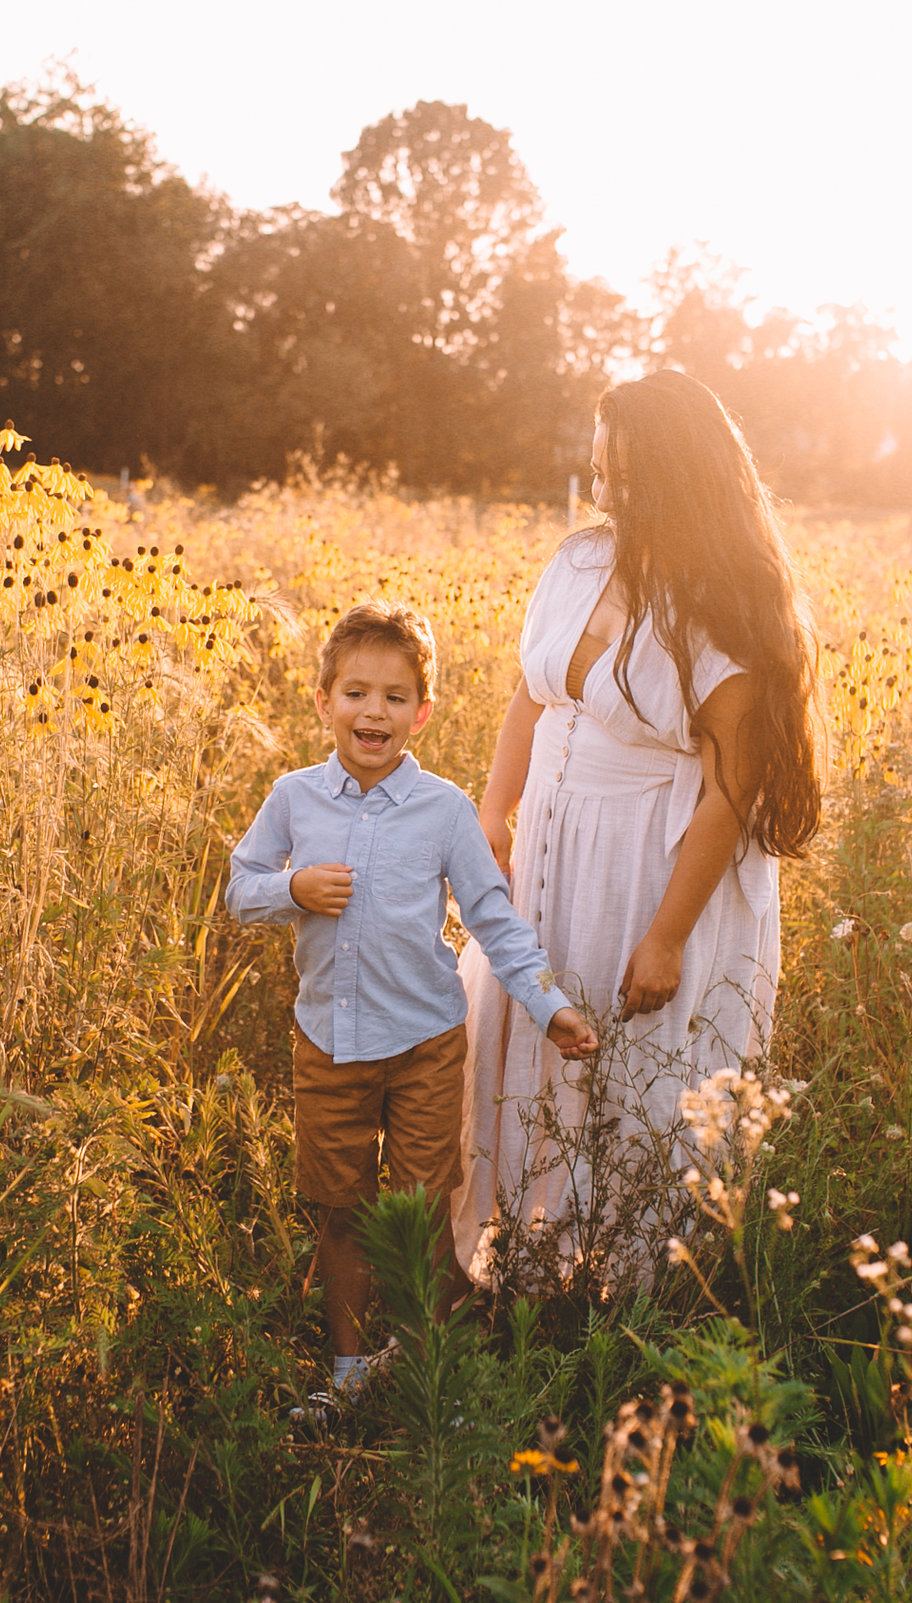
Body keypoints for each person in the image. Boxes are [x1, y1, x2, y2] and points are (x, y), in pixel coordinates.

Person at [455, 370, 822, 1286]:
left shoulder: (725, 615)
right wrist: (492, 814)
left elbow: (731, 798)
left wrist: (665, 935)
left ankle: (634, 1299)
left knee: (634, 1073)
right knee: (526, 1035)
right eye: (597, 470)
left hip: (649, 861)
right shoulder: (578, 563)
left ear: (675, 478)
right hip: (550, 841)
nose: (603, 493)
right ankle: (521, 1269)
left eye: (622, 475)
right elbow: (529, 697)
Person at [227, 601, 598, 1403]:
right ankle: (351, 1371)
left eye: (396, 697)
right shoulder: (294, 798)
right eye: (356, 692)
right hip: (327, 1044)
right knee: (338, 1207)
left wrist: (548, 1004)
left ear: (422, 713)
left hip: (426, 1043)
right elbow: (239, 888)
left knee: (426, 1206)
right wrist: (292, 886)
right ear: (323, 700)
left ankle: (433, 1367)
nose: (374, 711)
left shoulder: (445, 811)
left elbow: (494, 918)